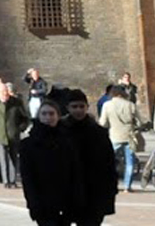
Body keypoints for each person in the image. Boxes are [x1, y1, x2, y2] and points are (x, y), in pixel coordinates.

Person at [18, 95, 81, 226]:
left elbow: (75, 173)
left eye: (51, 114)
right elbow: (28, 177)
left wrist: (76, 200)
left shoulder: (68, 141)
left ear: (58, 116)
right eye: (44, 114)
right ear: (39, 116)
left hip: (66, 202)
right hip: (43, 203)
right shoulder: (28, 144)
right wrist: (33, 204)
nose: (48, 117)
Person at [61, 90, 117, 226]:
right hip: (66, 191)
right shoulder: (60, 130)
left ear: (87, 107)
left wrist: (110, 190)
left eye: (81, 106)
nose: (78, 110)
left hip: (93, 192)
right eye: (74, 106)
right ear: (67, 108)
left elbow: (109, 163)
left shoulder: (98, 132)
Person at [101, 84, 142, 193]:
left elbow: (103, 123)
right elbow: (140, 121)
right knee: (130, 162)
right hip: (129, 136)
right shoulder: (130, 105)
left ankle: (108, 183)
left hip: (114, 136)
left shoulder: (107, 105)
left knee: (108, 160)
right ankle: (127, 186)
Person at [0, 81, 30, 187]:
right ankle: (5, 181)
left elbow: (25, 118)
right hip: (0, 134)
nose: (4, 94)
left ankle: (13, 180)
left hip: (13, 134)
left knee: (13, 158)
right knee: (3, 158)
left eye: (6, 91)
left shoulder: (16, 102)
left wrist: (21, 128)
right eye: (2, 92)